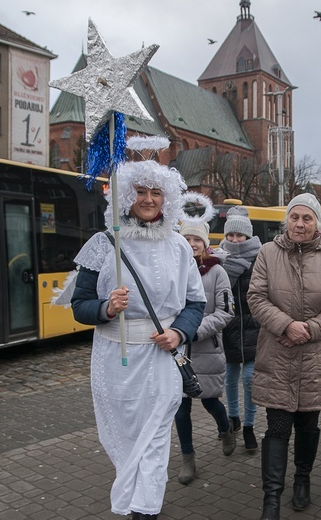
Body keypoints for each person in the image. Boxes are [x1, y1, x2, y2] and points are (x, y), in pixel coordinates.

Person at [68, 143, 207, 520]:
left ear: (167, 198)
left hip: (161, 357)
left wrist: (179, 333)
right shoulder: (103, 244)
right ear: (128, 195)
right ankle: (134, 501)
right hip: (115, 359)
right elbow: (80, 306)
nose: (148, 199)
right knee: (128, 442)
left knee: (155, 439)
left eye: (156, 192)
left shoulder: (179, 246)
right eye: (141, 191)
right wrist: (106, 307)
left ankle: (146, 511)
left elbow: (196, 303)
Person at [247, 193, 321, 520]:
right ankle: (271, 499)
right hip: (277, 355)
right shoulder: (268, 252)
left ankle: (302, 478)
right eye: (295, 217)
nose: (300, 224)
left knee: (308, 425)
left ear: (317, 222)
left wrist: (308, 329)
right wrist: (286, 325)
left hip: (316, 357)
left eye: (307, 218)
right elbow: (256, 297)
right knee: (277, 428)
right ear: (286, 220)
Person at [175, 220, 236, 485]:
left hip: (205, 347)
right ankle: (188, 458)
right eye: (186, 239)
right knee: (180, 407)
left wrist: (194, 329)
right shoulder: (172, 269)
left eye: (196, 240)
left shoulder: (217, 272)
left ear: (205, 243)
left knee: (210, 401)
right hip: (177, 350)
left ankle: (226, 428)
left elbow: (225, 312)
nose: (191, 244)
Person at [219, 206, 262, 451]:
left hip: (254, 328)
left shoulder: (259, 258)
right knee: (231, 377)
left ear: (248, 236)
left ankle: (249, 426)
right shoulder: (220, 258)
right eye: (231, 235)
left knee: (250, 378)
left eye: (240, 235)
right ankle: (233, 418)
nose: (235, 240)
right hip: (229, 328)